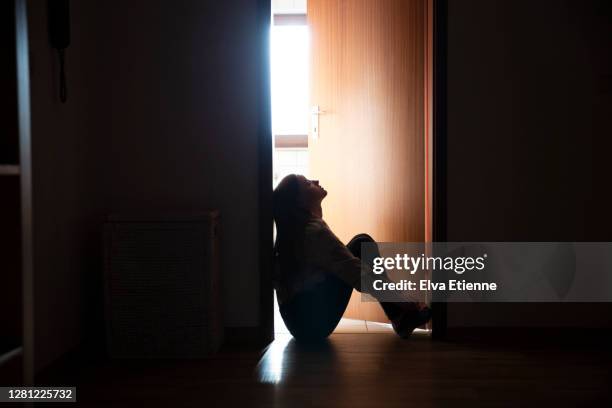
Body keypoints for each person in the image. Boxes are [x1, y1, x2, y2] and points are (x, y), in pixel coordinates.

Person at [273, 174, 431, 341]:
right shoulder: (312, 233)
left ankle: (400, 318)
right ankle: (401, 316)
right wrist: (400, 298)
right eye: (308, 183)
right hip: (312, 326)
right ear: (300, 202)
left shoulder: (300, 232)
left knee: (359, 244)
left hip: (299, 323)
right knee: (361, 247)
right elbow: (355, 272)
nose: (316, 181)